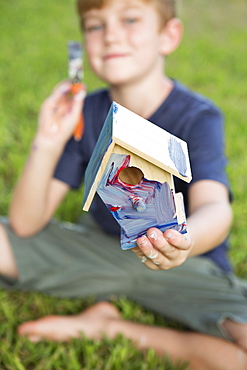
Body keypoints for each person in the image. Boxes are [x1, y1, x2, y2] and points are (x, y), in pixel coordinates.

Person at [1, 0, 247, 368]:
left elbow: (215, 207)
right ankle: (110, 307)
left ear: (168, 35)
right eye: (95, 26)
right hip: (100, 249)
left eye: (129, 19)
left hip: (183, 264)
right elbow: (25, 223)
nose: (110, 34)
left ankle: (112, 326)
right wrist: (47, 141)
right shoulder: (86, 113)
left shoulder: (198, 116)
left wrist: (183, 241)